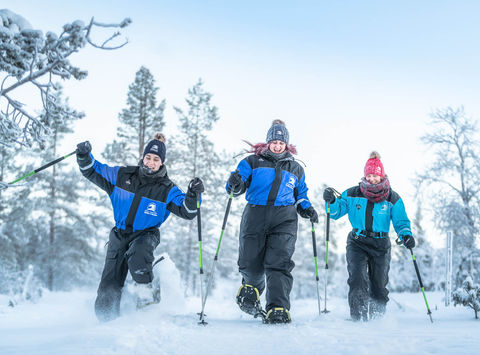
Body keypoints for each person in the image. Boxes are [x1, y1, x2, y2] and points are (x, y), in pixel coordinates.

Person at [76, 133, 204, 322]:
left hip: (146, 234)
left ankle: (147, 298)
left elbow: (188, 211)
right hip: (119, 235)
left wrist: (193, 194)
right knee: (106, 293)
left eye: (156, 159)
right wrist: (84, 156)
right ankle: (107, 325)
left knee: (139, 254)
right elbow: (92, 170)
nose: (151, 162)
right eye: (148, 157)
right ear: (143, 157)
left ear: (162, 162)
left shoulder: (167, 189)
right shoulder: (122, 176)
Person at [226, 120, 318, 324]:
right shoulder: (252, 161)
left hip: (284, 218)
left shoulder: (296, 169)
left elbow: (301, 194)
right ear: (268, 142)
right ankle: (252, 289)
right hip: (255, 214)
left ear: (287, 144)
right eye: (274, 141)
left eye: (281, 142)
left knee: (279, 263)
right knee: (250, 263)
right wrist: (234, 183)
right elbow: (237, 185)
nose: (277, 145)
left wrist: (306, 208)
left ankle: (278, 308)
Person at [323, 151, 415, 321]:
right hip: (357, 242)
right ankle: (358, 318)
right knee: (357, 279)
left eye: (376, 175)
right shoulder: (352, 193)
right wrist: (331, 201)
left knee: (379, 285)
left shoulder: (392, 198)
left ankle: (377, 319)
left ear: (382, 176)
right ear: (365, 175)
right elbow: (335, 213)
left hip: (381, 244)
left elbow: (401, 222)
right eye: (369, 175)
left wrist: (406, 235)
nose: (372, 179)